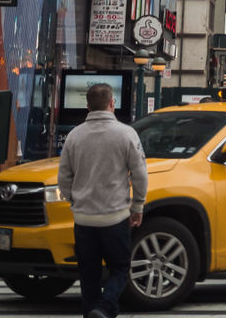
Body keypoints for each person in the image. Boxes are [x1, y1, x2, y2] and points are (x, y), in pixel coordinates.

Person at [58, 82, 148, 318]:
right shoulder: (126, 134)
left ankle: (92, 311)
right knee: (119, 268)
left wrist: (74, 200)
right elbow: (139, 174)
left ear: (87, 106)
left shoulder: (74, 136)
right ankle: (105, 307)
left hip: (83, 219)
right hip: (114, 217)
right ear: (112, 103)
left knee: (88, 274)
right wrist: (138, 206)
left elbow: (63, 177)